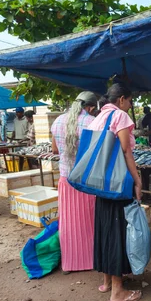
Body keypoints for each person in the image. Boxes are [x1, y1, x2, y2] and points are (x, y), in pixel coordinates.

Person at [88, 83, 143, 301]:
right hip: (118, 183)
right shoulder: (119, 116)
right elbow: (125, 150)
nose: (130, 106)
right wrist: (137, 180)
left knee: (105, 227)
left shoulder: (98, 117)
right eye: (130, 101)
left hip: (101, 183)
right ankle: (118, 292)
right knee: (118, 230)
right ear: (121, 99)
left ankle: (107, 281)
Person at [51, 91, 98, 273]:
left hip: (65, 178)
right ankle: (91, 260)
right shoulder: (92, 122)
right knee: (89, 222)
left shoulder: (58, 121)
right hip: (86, 180)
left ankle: (70, 263)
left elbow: (55, 150)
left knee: (69, 222)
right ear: (91, 107)